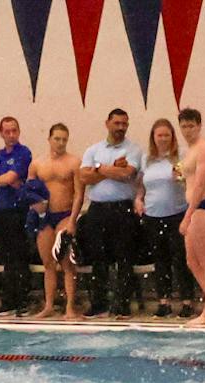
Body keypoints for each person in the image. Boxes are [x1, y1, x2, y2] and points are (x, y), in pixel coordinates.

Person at [79, 108, 143, 317]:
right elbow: (83, 178)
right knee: (98, 258)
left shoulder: (133, 149)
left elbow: (126, 174)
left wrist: (97, 169)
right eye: (117, 123)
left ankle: (122, 304)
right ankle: (98, 303)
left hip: (122, 210)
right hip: (97, 210)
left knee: (124, 258)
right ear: (107, 123)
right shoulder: (93, 149)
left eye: (124, 124)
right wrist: (108, 169)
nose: (120, 128)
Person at [136, 118, 192, 318]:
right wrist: (138, 199)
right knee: (160, 261)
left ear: (172, 136)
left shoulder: (180, 156)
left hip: (177, 214)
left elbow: (185, 181)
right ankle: (164, 301)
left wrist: (181, 176)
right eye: (159, 135)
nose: (163, 139)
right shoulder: (147, 159)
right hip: (153, 215)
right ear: (153, 137)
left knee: (180, 260)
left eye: (166, 135)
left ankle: (186, 301)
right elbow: (141, 184)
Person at [28, 122, 82, 319]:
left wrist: (73, 220)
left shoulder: (74, 162)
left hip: (65, 215)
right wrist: (36, 208)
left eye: (64, 140)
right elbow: (30, 192)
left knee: (67, 263)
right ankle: (49, 305)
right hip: (45, 217)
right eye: (57, 139)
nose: (60, 143)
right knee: (48, 263)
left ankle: (69, 307)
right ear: (49, 139)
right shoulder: (37, 164)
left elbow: (78, 194)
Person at [0, 116, 33, 316]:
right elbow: (2, 179)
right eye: (7, 131)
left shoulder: (24, 152)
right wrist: (2, 180)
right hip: (1, 210)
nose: (11, 135)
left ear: (19, 132)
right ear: (1, 133)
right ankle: (9, 300)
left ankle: (22, 301)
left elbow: (11, 178)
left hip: (18, 210)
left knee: (19, 257)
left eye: (14, 131)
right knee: (6, 258)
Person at [176, 108, 205, 327]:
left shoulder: (204, 150)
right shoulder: (190, 150)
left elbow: (201, 185)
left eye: (191, 126)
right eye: (183, 126)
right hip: (193, 207)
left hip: (201, 208)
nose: (187, 130)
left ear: (199, 125)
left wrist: (188, 215)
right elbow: (189, 180)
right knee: (191, 261)